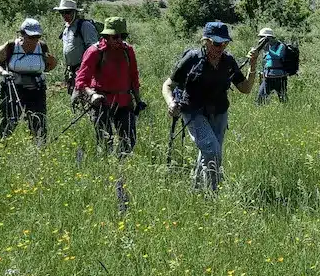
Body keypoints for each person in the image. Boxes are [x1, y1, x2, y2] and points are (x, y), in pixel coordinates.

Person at [161, 22, 260, 192]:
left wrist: (253, 64)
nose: (220, 47)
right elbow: (168, 85)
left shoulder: (228, 61)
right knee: (213, 151)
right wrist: (171, 103)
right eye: (216, 43)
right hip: (193, 112)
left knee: (208, 153)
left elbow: (245, 88)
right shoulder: (192, 58)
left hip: (219, 112)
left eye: (224, 43)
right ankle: (213, 193)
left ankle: (197, 190)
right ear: (205, 41)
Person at [74, 17, 142, 156]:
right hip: (101, 102)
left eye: (122, 36)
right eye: (116, 37)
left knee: (129, 141)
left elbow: (134, 77)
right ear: (106, 36)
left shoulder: (128, 51)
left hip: (124, 102)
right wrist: (92, 94)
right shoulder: (95, 52)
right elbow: (81, 80)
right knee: (105, 142)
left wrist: (138, 100)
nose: (119, 40)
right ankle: (106, 169)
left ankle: (121, 170)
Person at [0, 18, 58, 141]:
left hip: (36, 90)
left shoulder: (42, 47)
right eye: (31, 37)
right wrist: (3, 72)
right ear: (22, 34)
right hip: (12, 88)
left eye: (37, 36)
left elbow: (49, 67)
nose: (34, 40)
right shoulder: (11, 46)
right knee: (9, 119)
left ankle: (40, 148)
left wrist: (51, 61)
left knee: (38, 120)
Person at [55, 0, 99, 96]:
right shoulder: (66, 28)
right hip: (71, 71)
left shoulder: (85, 26)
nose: (64, 15)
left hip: (83, 70)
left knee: (83, 98)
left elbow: (94, 50)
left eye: (67, 12)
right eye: (62, 12)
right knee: (75, 99)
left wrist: (86, 69)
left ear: (75, 12)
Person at [256, 28, 289, 104]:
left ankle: (286, 111)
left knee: (283, 98)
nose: (262, 39)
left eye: (264, 37)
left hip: (280, 77)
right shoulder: (265, 47)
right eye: (261, 37)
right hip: (268, 77)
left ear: (270, 37)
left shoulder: (280, 46)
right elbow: (266, 61)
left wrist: (268, 50)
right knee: (260, 98)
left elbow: (278, 56)